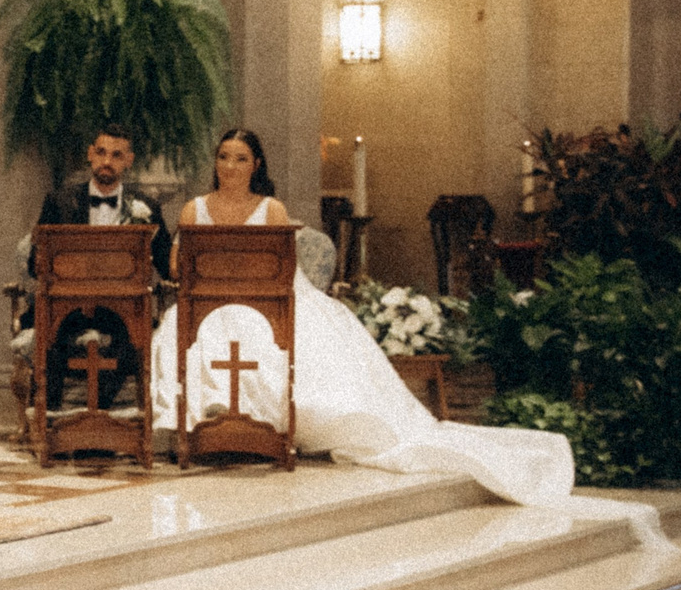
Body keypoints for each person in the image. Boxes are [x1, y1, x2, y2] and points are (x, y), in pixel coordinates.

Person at [149, 128, 585, 510]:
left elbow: (281, 268)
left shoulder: (271, 210)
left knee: (270, 335)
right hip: (208, 298)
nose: (230, 165)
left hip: (269, 297)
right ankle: (207, 426)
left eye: (240, 158)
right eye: (223, 157)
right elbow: (175, 267)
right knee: (184, 330)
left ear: (256, 165)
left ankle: (270, 428)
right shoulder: (195, 209)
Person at [31, 123, 169, 409]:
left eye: (117, 155)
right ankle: (51, 425)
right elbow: (36, 264)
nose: (107, 162)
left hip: (119, 310)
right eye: (102, 152)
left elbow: (167, 264)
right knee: (50, 339)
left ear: (129, 160)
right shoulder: (59, 202)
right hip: (67, 306)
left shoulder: (146, 208)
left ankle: (96, 419)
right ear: (90, 154)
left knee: (133, 343)